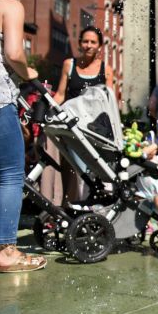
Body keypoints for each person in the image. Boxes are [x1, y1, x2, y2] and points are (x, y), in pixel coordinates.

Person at [0, 0, 47, 273]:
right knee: (10, 174)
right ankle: (5, 251)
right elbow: (14, 52)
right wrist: (30, 74)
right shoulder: (10, 6)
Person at [53, 25, 113, 203]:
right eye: (85, 41)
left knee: (96, 167)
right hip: (73, 125)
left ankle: (95, 204)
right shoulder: (69, 65)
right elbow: (60, 95)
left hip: (95, 127)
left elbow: (108, 101)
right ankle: (76, 203)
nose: (88, 45)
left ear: (100, 46)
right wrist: (47, 111)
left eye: (93, 42)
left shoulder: (105, 69)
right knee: (78, 168)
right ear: (79, 44)